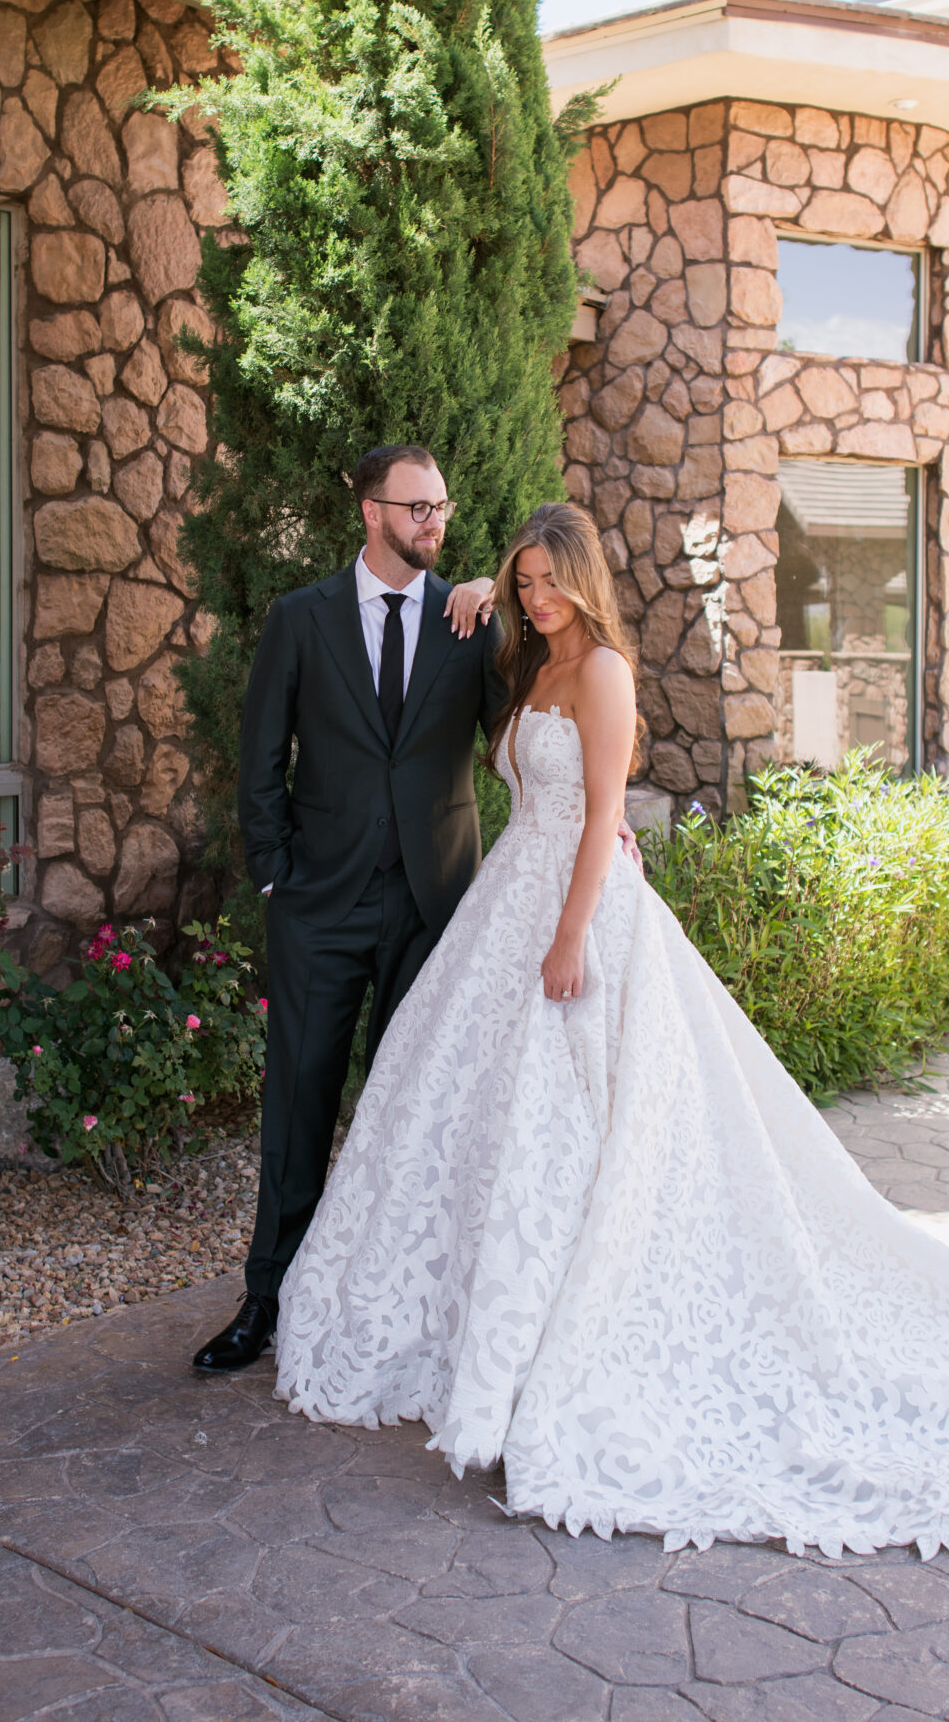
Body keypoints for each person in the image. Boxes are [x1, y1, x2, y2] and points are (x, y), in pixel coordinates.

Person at [275, 501, 949, 1557]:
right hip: (507, 901)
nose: (539, 596)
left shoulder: (600, 670)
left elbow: (603, 816)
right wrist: (474, 588)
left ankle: (565, 1335)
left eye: (553, 580)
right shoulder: (528, 661)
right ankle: (481, 1334)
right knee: (484, 1124)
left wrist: (569, 937)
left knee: (582, 1128)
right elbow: (515, 735)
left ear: (586, 580)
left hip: (576, 917)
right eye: (525, 582)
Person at [191, 448, 637, 1375]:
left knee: (414, 1113)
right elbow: (259, 759)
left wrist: (607, 814)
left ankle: (387, 1301)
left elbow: (536, 721)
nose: (433, 521)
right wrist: (276, 878)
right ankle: (266, 1297)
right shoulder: (300, 619)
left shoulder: (469, 623)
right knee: (298, 1104)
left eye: (441, 507)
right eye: (417, 507)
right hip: (318, 907)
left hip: (439, 909)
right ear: (371, 511)